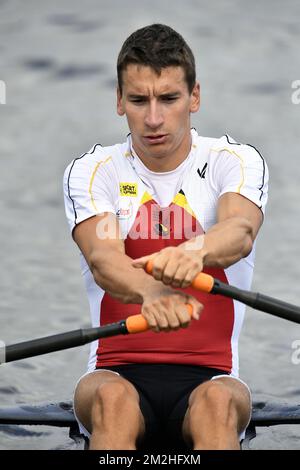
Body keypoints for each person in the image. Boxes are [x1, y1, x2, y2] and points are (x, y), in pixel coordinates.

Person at [63, 23, 268, 450]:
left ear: (194, 97)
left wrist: (196, 251)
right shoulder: (93, 170)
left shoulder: (234, 161)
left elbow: (239, 231)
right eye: (138, 100)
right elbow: (104, 260)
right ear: (119, 101)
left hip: (213, 377)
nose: (153, 118)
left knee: (216, 404)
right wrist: (150, 293)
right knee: (113, 401)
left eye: (169, 98)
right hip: (114, 372)